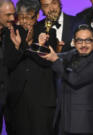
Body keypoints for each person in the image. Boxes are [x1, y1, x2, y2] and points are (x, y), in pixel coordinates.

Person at [40, 24, 93, 135]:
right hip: (63, 121)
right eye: (79, 41)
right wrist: (43, 45)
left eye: (88, 41)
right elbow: (52, 56)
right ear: (74, 42)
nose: (83, 45)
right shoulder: (71, 55)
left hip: (82, 124)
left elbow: (75, 79)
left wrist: (55, 60)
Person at [3, 0, 56, 134]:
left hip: (41, 100)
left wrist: (28, 44)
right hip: (17, 100)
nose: (25, 21)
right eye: (21, 17)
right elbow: (8, 63)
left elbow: (47, 61)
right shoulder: (10, 34)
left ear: (37, 16)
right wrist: (18, 47)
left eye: (29, 17)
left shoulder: (48, 32)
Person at [0, 0, 15, 133]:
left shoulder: (9, 34)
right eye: (8, 15)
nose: (12, 18)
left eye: (13, 14)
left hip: (7, 98)